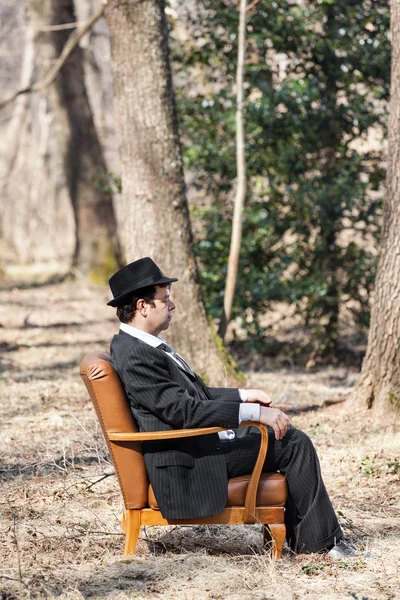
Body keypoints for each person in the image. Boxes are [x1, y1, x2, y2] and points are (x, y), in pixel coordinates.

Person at [108, 257, 355, 558]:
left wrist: (243, 395)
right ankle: (323, 546)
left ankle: (310, 539)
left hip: (193, 446)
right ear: (143, 306)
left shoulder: (141, 346)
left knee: (287, 438)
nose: (172, 306)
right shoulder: (137, 354)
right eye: (166, 300)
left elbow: (192, 395)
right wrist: (254, 414)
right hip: (186, 461)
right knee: (292, 442)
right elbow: (183, 412)